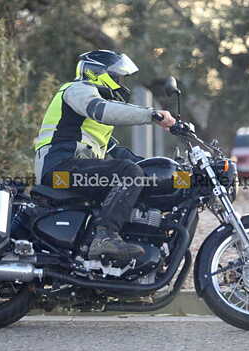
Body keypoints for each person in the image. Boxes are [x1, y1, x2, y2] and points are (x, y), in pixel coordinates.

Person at [33, 50, 176, 261]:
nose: (120, 83)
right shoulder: (77, 90)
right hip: (57, 169)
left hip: (74, 169)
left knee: (136, 171)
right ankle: (105, 237)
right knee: (129, 173)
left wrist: (171, 167)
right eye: (117, 77)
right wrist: (151, 114)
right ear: (98, 73)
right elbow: (102, 110)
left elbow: (118, 152)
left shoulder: (90, 121)